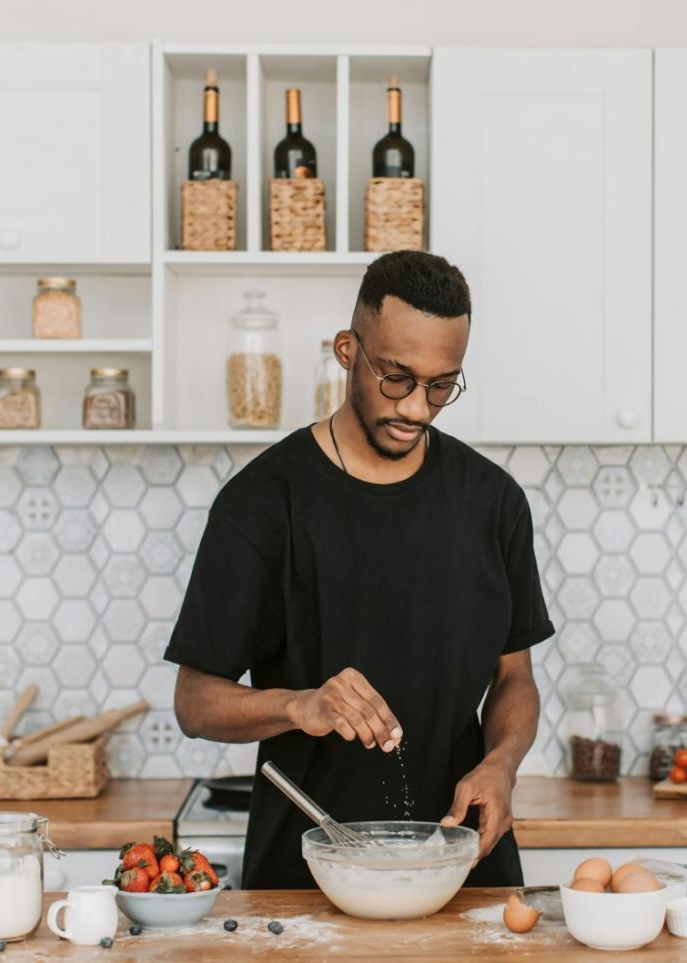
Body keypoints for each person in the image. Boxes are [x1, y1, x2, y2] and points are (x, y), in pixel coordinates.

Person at [165, 250, 554, 889]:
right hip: (305, 875)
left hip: (462, 864)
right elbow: (194, 702)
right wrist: (300, 704)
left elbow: (515, 677)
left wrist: (503, 764)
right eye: (396, 377)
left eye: (440, 385)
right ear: (348, 350)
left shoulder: (493, 502)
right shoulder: (262, 503)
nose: (416, 409)